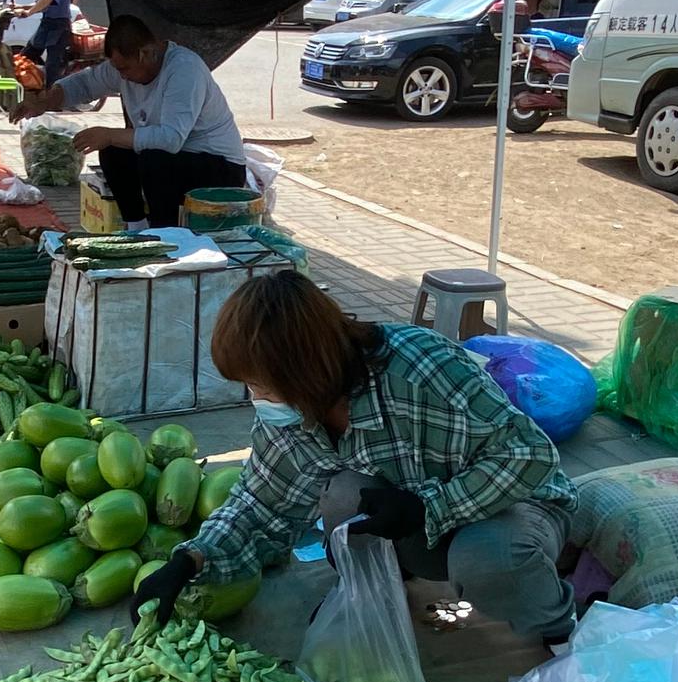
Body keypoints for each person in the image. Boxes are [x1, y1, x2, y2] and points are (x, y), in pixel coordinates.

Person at [137, 270, 576, 649]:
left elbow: (529, 455)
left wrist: (430, 506)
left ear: (306, 371)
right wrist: (189, 560)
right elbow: (258, 505)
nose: (257, 399)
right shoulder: (291, 417)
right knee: (344, 496)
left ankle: (559, 629)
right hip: (415, 528)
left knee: (486, 558)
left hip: (514, 510)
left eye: (263, 386)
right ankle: (379, 590)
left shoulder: (420, 366)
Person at [15, 13, 248, 226]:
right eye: (118, 69)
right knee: (113, 152)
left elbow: (171, 138)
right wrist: (44, 101)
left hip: (222, 168)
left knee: (153, 158)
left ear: (146, 53)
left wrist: (109, 134)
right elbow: (85, 83)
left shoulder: (184, 70)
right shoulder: (123, 68)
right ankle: (137, 227)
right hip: (179, 160)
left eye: (125, 69)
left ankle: (165, 234)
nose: (121, 76)